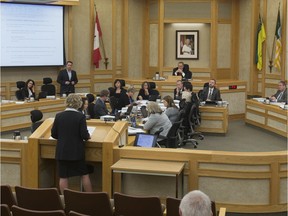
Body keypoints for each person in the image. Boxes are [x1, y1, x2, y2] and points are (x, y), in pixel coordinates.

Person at [51, 94, 92, 194]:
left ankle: (65, 199)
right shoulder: (80, 116)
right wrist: (88, 136)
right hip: (76, 151)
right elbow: (84, 135)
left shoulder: (59, 116)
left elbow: (54, 134)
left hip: (62, 151)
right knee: (84, 174)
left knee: (63, 176)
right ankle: (91, 197)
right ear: (79, 104)